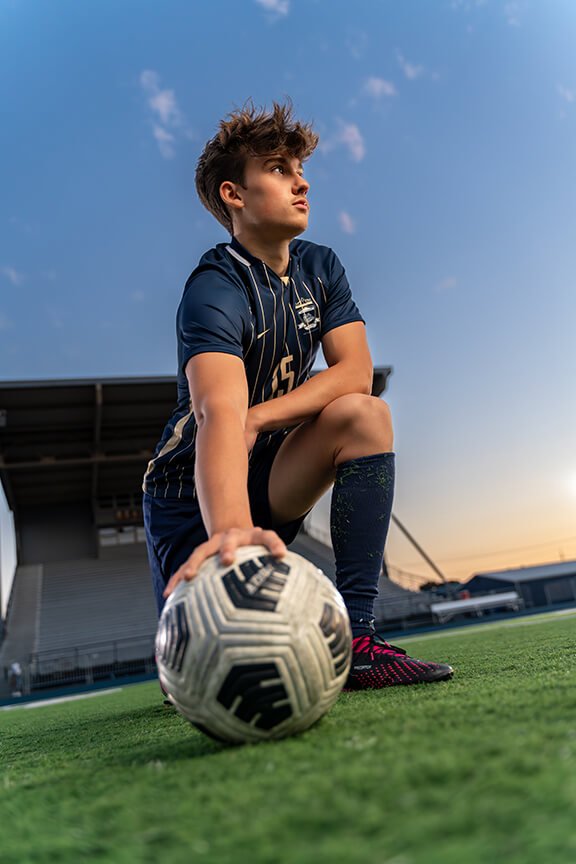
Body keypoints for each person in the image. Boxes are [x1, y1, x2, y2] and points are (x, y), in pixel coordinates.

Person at [142, 100, 453, 689]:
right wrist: (231, 531)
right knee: (199, 674)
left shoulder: (321, 266)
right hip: (192, 491)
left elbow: (354, 373)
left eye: (299, 168)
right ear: (234, 194)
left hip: (271, 463)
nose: (302, 181)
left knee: (364, 415)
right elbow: (218, 412)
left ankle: (360, 638)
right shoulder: (214, 286)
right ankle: (210, 581)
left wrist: (261, 418)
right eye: (280, 169)